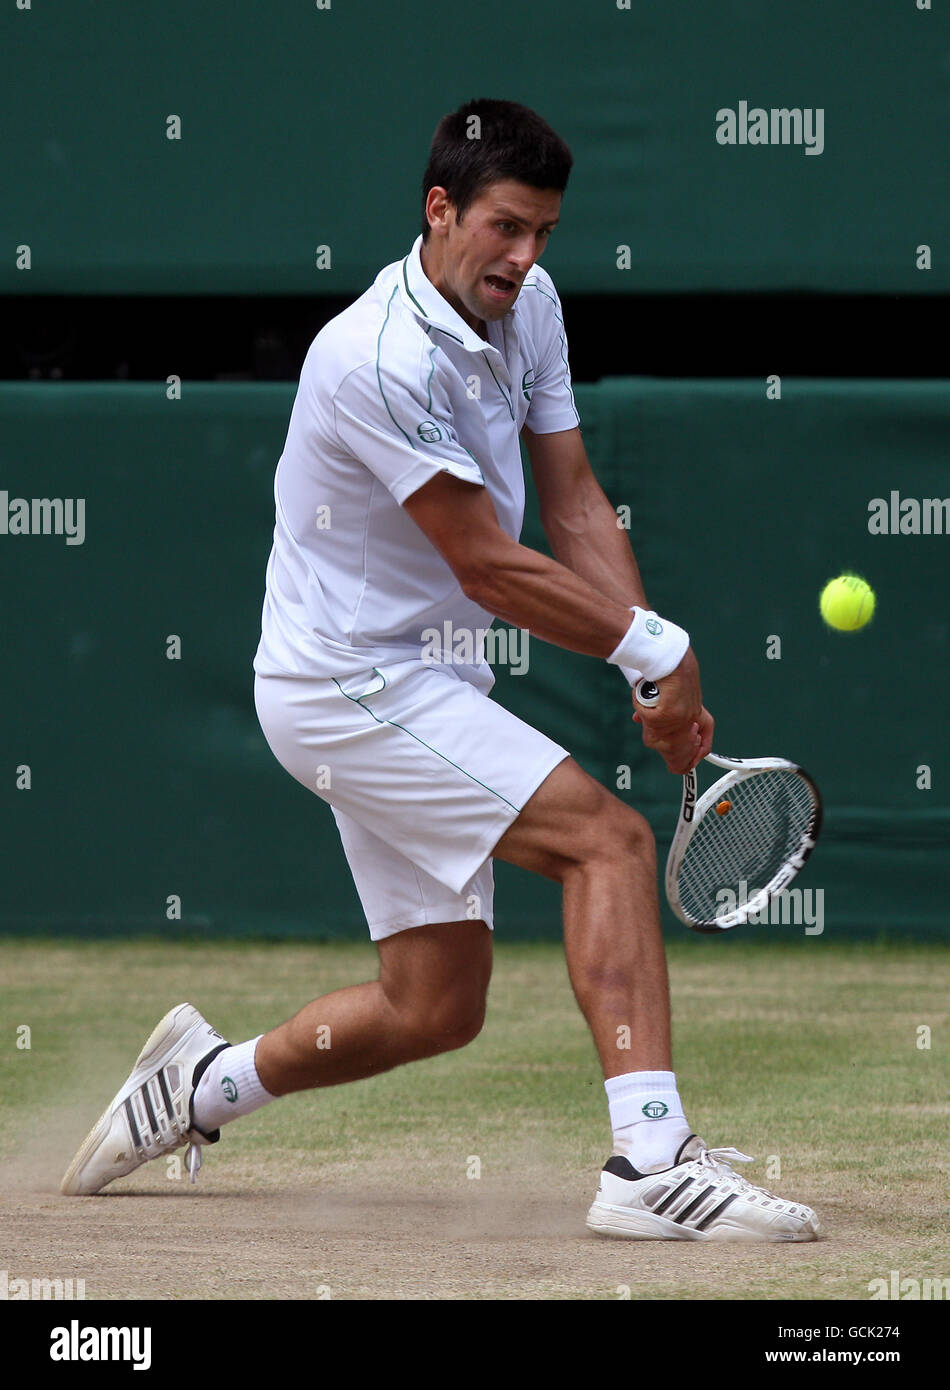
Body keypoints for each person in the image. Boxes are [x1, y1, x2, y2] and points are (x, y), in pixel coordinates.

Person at [62, 99, 819, 1242]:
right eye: (505, 228)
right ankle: (650, 1165)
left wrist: (646, 668)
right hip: (344, 686)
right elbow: (482, 565)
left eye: (544, 234)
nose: (524, 257)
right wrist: (657, 649)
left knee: (435, 1006)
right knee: (605, 841)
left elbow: (568, 496)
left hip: (427, 680)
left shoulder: (531, 309)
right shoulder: (371, 358)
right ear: (438, 210)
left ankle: (196, 1083)